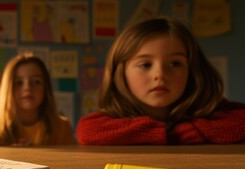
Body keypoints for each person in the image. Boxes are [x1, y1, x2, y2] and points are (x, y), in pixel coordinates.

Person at [76, 17, 245, 145]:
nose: (160, 75)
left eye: (175, 63)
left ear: (192, 71)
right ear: (121, 73)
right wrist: (169, 134)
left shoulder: (207, 109)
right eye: (145, 64)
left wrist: (186, 131)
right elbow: (87, 130)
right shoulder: (113, 118)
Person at [0, 52, 76, 146]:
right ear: (7, 89)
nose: (27, 87)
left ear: (46, 88)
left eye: (36, 81)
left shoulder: (62, 127)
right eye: (18, 82)